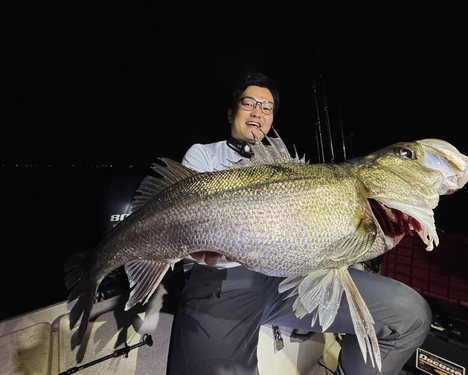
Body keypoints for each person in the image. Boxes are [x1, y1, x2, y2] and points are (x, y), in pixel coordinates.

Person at [166, 72, 431, 375]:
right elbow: (183, 225)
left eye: (266, 108)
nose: (257, 112)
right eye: (248, 103)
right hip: (225, 281)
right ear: (231, 112)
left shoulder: (289, 168)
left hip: (294, 277)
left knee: (410, 315)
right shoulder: (203, 155)